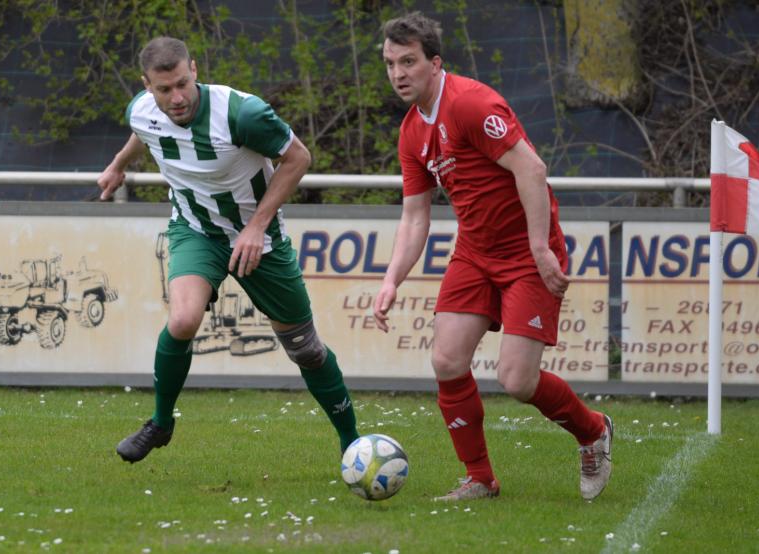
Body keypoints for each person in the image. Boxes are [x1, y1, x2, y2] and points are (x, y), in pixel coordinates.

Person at [374, 13, 612, 501]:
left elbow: (532, 168)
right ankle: (480, 478)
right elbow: (416, 217)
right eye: (390, 63)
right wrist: (392, 279)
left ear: (435, 63)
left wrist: (539, 246)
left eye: (408, 61)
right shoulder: (410, 132)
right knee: (446, 358)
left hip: (527, 252)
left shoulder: (470, 103)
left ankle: (592, 432)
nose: (398, 73)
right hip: (474, 253)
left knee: (517, 381)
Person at [98, 36, 359, 464]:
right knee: (183, 319)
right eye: (165, 90)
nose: (177, 97)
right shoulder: (141, 110)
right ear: (147, 86)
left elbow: (299, 158)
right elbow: (142, 133)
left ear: (195, 69)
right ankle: (161, 423)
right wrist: (118, 164)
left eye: (183, 83)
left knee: (305, 349)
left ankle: (352, 442)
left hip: (261, 241)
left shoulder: (243, 113)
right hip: (196, 231)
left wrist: (255, 226)